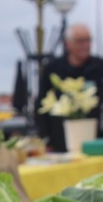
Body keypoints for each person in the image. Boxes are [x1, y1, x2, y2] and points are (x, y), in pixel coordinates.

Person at [36, 24, 103, 152]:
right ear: (68, 44)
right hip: (59, 143)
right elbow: (41, 104)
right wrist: (45, 138)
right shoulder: (52, 69)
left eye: (88, 40)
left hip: (94, 142)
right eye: (80, 41)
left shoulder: (99, 67)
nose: (86, 45)